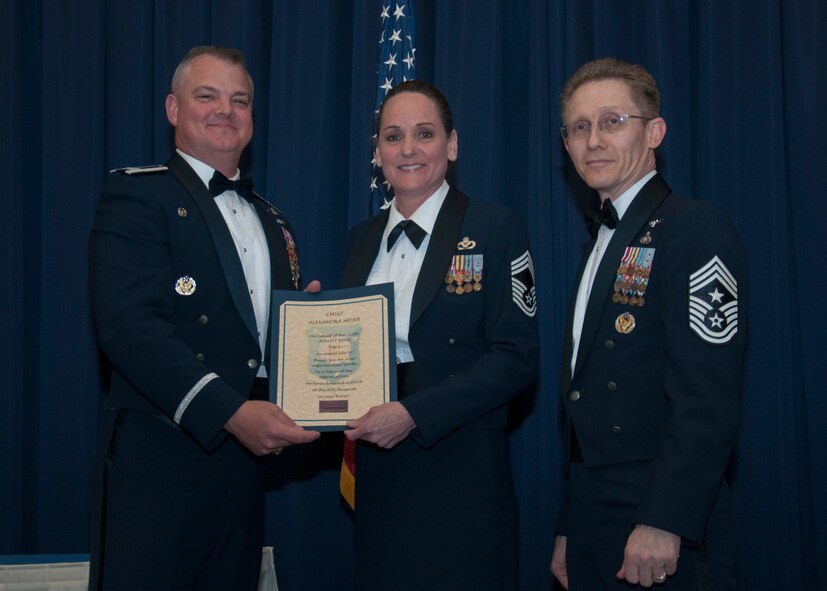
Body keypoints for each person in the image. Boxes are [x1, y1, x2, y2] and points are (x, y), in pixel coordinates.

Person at [88, 45, 319, 590]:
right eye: (207, 95)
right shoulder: (138, 195)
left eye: (239, 100)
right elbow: (129, 329)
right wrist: (229, 412)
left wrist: (311, 332)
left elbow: (265, 343)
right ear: (173, 109)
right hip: (159, 463)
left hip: (243, 472)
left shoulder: (272, 219)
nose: (226, 110)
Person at [549, 58, 748, 589]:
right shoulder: (599, 242)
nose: (593, 140)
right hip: (595, 514)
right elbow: (581, 404)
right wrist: (571, 522)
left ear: (654, 131)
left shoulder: (694, 226)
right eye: (579, 127)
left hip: (658, 513)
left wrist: (666, 518)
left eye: (612, 121)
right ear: (566, 145)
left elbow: (707, 396)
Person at [340, 80, 539, 590]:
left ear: (451, 145)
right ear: (377, 151)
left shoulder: (496, 227)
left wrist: (412, 415)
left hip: (461, 472)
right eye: (392, 136)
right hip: (381, 475)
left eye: (424, 134)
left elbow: (516, 357)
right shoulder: (359, 240)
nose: (408, 149)